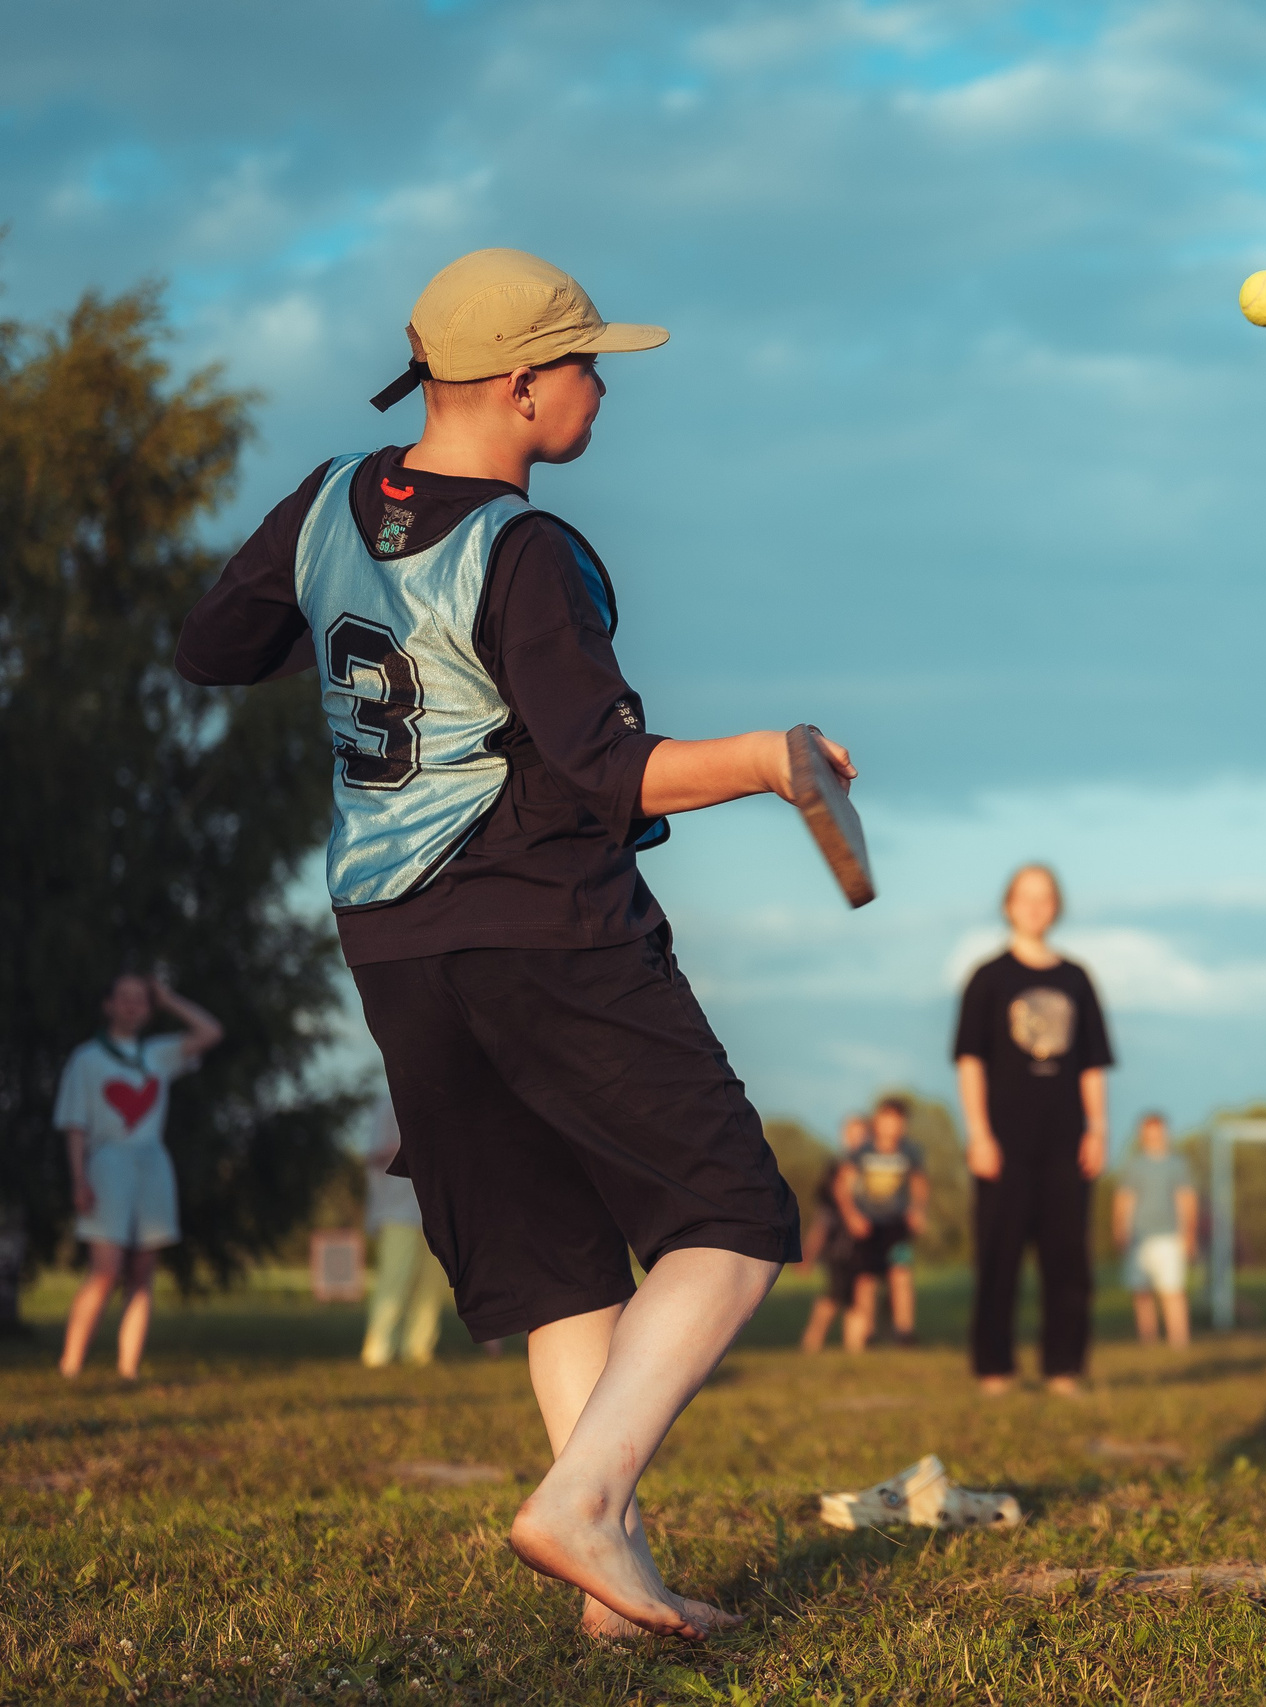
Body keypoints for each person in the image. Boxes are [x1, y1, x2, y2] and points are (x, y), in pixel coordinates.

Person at [175, 248, 847, 1640]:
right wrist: (773, 760)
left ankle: (617, 1588)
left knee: (557, 1260)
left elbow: (211, 648)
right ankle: (584, 1500)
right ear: (525, 385)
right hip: (544, 919)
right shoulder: (526, 551)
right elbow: (609, 774)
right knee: (733, 1215)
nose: (602, 386)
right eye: (589, 363)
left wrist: (370, 625)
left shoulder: (325, 503)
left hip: (391, 942)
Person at [954, 864, 1113, 1395]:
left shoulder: (1076, 978)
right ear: (1008, 905)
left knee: (1068, 1260)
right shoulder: (988, 978)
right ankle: (994, 1369)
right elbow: (971, 1061)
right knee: (999, 1257)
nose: (1036, 906)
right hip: (1003, 1142)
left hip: (1066, 1141)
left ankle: (1063, 1368)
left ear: (1056, 906)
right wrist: (979, 1134)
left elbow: (1091, 1063)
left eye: (1045, 897)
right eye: (1026, 897)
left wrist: (1098, 1129)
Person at [54, 972, 223, 1379]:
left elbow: (210, 1031)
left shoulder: (157, 1054)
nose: (132, 1005)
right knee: (106, 1268)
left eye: (140, 1000)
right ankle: (71, 1364)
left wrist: (168, 999)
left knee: (143, 1271)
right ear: (108, 1005)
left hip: (152, 1163)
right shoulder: (87, 1058)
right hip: (106, 1162)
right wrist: (79, 1179)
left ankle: (128, 1367)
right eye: (124, 998)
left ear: (148, 1009)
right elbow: (75, 1124)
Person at [362, 1098, 447, 1367]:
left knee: (432, 1285)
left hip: (439, 1208)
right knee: (395, 1279)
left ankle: (418, 1348)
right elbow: (372, 1156)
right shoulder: (388, 1103)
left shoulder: (446, 1099)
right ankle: (379, 1349)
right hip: (398, 1210)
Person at [838, 1097, 927, 1352]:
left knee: (901, 1272)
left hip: (897, 1225)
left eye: (898, 1122)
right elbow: (843, 1186)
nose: (892, 1127)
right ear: (877, 1122)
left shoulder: (910, 1151)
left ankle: (904, 1331)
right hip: (868, 1224)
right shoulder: (862, 1152)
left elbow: (919, 1183)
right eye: (887, 1121)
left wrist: (918, 1210)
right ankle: (868, 1331)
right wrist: (852, 1215)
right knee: (866, 1278)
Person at [1114, 1112, 1197, 1350]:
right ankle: (1148, 1342)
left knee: (1173, 1290)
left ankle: (1179, 1341)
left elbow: (1186, 1199)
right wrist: (1120, 1228)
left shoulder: (1177, 1164)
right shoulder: (1134, 1165)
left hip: (1169, 1235)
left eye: (1157, 1131)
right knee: (1141, 1291)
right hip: (1139, 1236)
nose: (1153, 1136)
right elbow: (1125, 1198)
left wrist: (1188, 1233)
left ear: (1164, 1132)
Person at [799, 1112, 869, 1354]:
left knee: (856, 1298)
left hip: (864, 1245)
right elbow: (823, 1219)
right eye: (853, 1135)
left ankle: (855, 1350)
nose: (858, 1141)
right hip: (839, 1244)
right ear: (843, 1137)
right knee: (833, 1295)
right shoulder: (835, 1171)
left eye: (863, 1135)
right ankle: (811, 1343)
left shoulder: (872, 1170)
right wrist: (809, 1252)